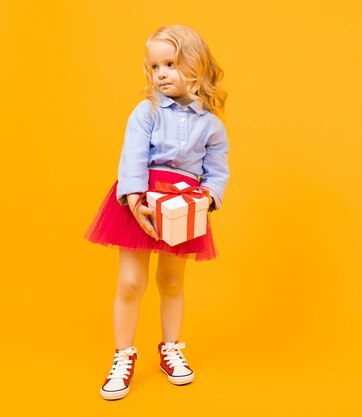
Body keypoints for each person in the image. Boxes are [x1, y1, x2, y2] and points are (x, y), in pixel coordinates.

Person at [84, 24, 230, 400]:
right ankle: (122, 355)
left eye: (171, 64)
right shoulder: (146, 112)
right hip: (143, 201)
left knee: (171, 282)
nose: (161, 73)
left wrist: (207, 200)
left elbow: (216, 172)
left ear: (196, 68)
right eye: (155, 66)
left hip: (183, 210)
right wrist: (135, 200)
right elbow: (131, 157)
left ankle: (170, 349)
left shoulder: (211, 125)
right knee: (131, 283)